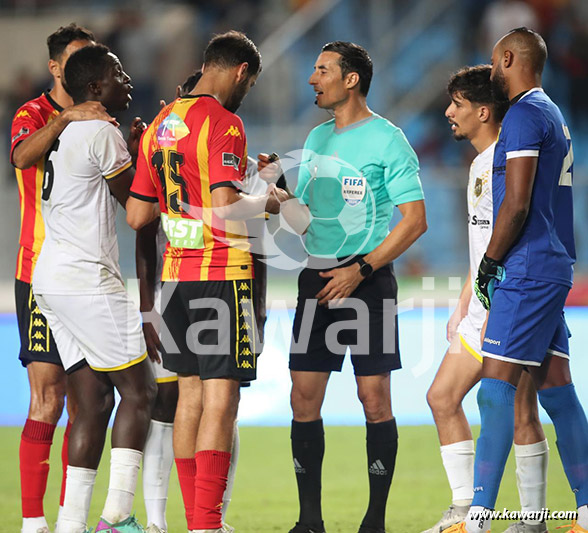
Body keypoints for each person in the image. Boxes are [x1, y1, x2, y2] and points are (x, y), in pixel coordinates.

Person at [260, 41, 427, 533]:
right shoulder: (315, 138)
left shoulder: (388, 140)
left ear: (350, 79)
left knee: (373, 399)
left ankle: (374, 521)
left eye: (322, 70)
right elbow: (306, 217)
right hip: (316, 278)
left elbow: (414, 221)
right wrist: (276, 192)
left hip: (367, 281)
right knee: (301, 398)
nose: (312, 79)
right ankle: (309, 521)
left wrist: (365, 270)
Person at [127, 31, 286, 533]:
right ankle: (207, 524)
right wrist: (270, 197)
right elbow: (223, 208)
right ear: (241, 71)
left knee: (190, 398)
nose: (247, 93)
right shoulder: (225, 123)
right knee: (221, 399)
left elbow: (136, 215)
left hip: (175, 279)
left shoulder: (160, 125)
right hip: (222, 275)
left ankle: (197, 523)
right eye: (250, 83)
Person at [445, 27, 588, 533]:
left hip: (525, 267)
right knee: (556, 391)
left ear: (509, 58)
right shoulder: (553, 112)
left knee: (494, 389)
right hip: (550, 264)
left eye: (494, 61)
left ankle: (477, 517)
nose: (492, 70)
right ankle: (585, 511)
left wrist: (489, 263)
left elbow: (518, 201)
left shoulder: (525, 114)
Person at [32, 44, 156, 533]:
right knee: (140, 391)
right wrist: (152, 156)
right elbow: (136, 209)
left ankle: (70, 525)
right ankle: (119, 516)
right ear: (94, 88)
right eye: (118, 73)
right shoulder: (101, 132)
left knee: (95, 400)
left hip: (53, 280)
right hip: (87, 280)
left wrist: (131, 149)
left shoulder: (67, 132)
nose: (128, 79)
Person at [424, 65, 549, 533]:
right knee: (442, 396)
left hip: (512, 304)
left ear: (482, 110)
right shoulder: (479, 163)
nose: (447, 112)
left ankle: (532, 519)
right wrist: (463, 301)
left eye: (456, 104)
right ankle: (463, 510)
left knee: (521, 410)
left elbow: (516, 234)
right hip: (481, 305)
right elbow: (485, 244)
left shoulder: (510, 160)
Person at [9, 23, 115, 533]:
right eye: (77, 61)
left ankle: (75, 517)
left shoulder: (103, 112)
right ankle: (33, 520)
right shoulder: (33, 114)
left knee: (89, 399)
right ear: (56, 68)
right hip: (38, 270)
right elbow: (20, 158)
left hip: (90, 278)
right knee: (47, 396)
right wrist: (65, 119)